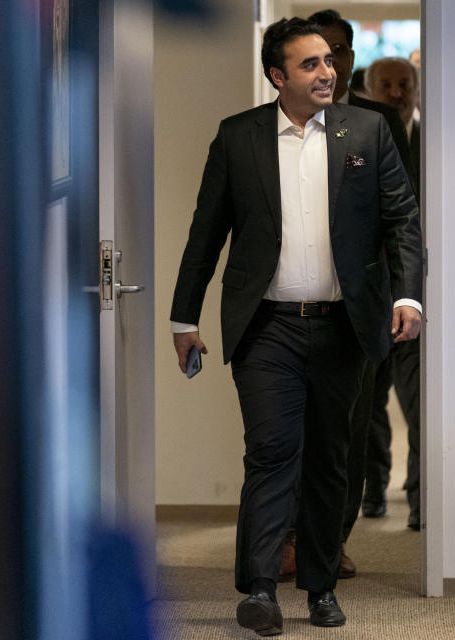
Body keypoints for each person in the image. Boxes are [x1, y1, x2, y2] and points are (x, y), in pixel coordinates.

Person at [170, 17, 423, 636]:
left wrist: (410, 298)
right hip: (268, 327)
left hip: (345, 325)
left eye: (329, 62)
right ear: (277, 76)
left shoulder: (367, 129)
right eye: (310, 64)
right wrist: (185, 317)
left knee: (332, 460)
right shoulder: (239, 138)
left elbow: (402, 221)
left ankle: (319, 586)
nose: (327, 72)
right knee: (272, 453)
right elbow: (207, 234)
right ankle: (260, 588)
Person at [274, 9, 417, 583]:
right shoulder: (275, 126)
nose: (329, 64)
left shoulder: (378, 121)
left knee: (355, 428)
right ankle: (287, 539)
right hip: (293, 304)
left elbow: (399, 213)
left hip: (364, 305)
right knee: (293, 430)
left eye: (338, 52)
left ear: (351, 61)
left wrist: (399, 294)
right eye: (317, 54)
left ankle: (333, 538)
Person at [365, 55, 423, 530]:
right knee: (367, 404)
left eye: (404, 84)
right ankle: (373, 488)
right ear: (371, 89)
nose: (397, 93)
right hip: (367, 294)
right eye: (387, 84)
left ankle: (422, 505)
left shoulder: (432, 141)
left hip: (415, 294)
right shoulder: (360, 139)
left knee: (419, 401)